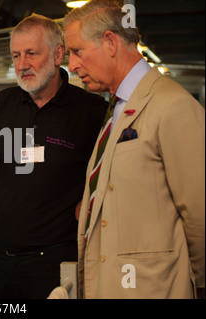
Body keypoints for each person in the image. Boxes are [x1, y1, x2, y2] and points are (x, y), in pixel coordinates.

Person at [62, 0, 205, 298]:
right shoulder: (117, 109)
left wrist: (201, 284)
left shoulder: (172, 106)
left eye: (77, 51)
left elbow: (199, 210)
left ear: (110, 42)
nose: (72, 65)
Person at [0, 14, 108, 299]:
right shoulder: (3, 103)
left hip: (54, 265)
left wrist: (90, 199)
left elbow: (113, 173)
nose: (22, 64)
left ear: (58, 54)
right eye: (16, 55)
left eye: (32, 53)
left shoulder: (90, 111)